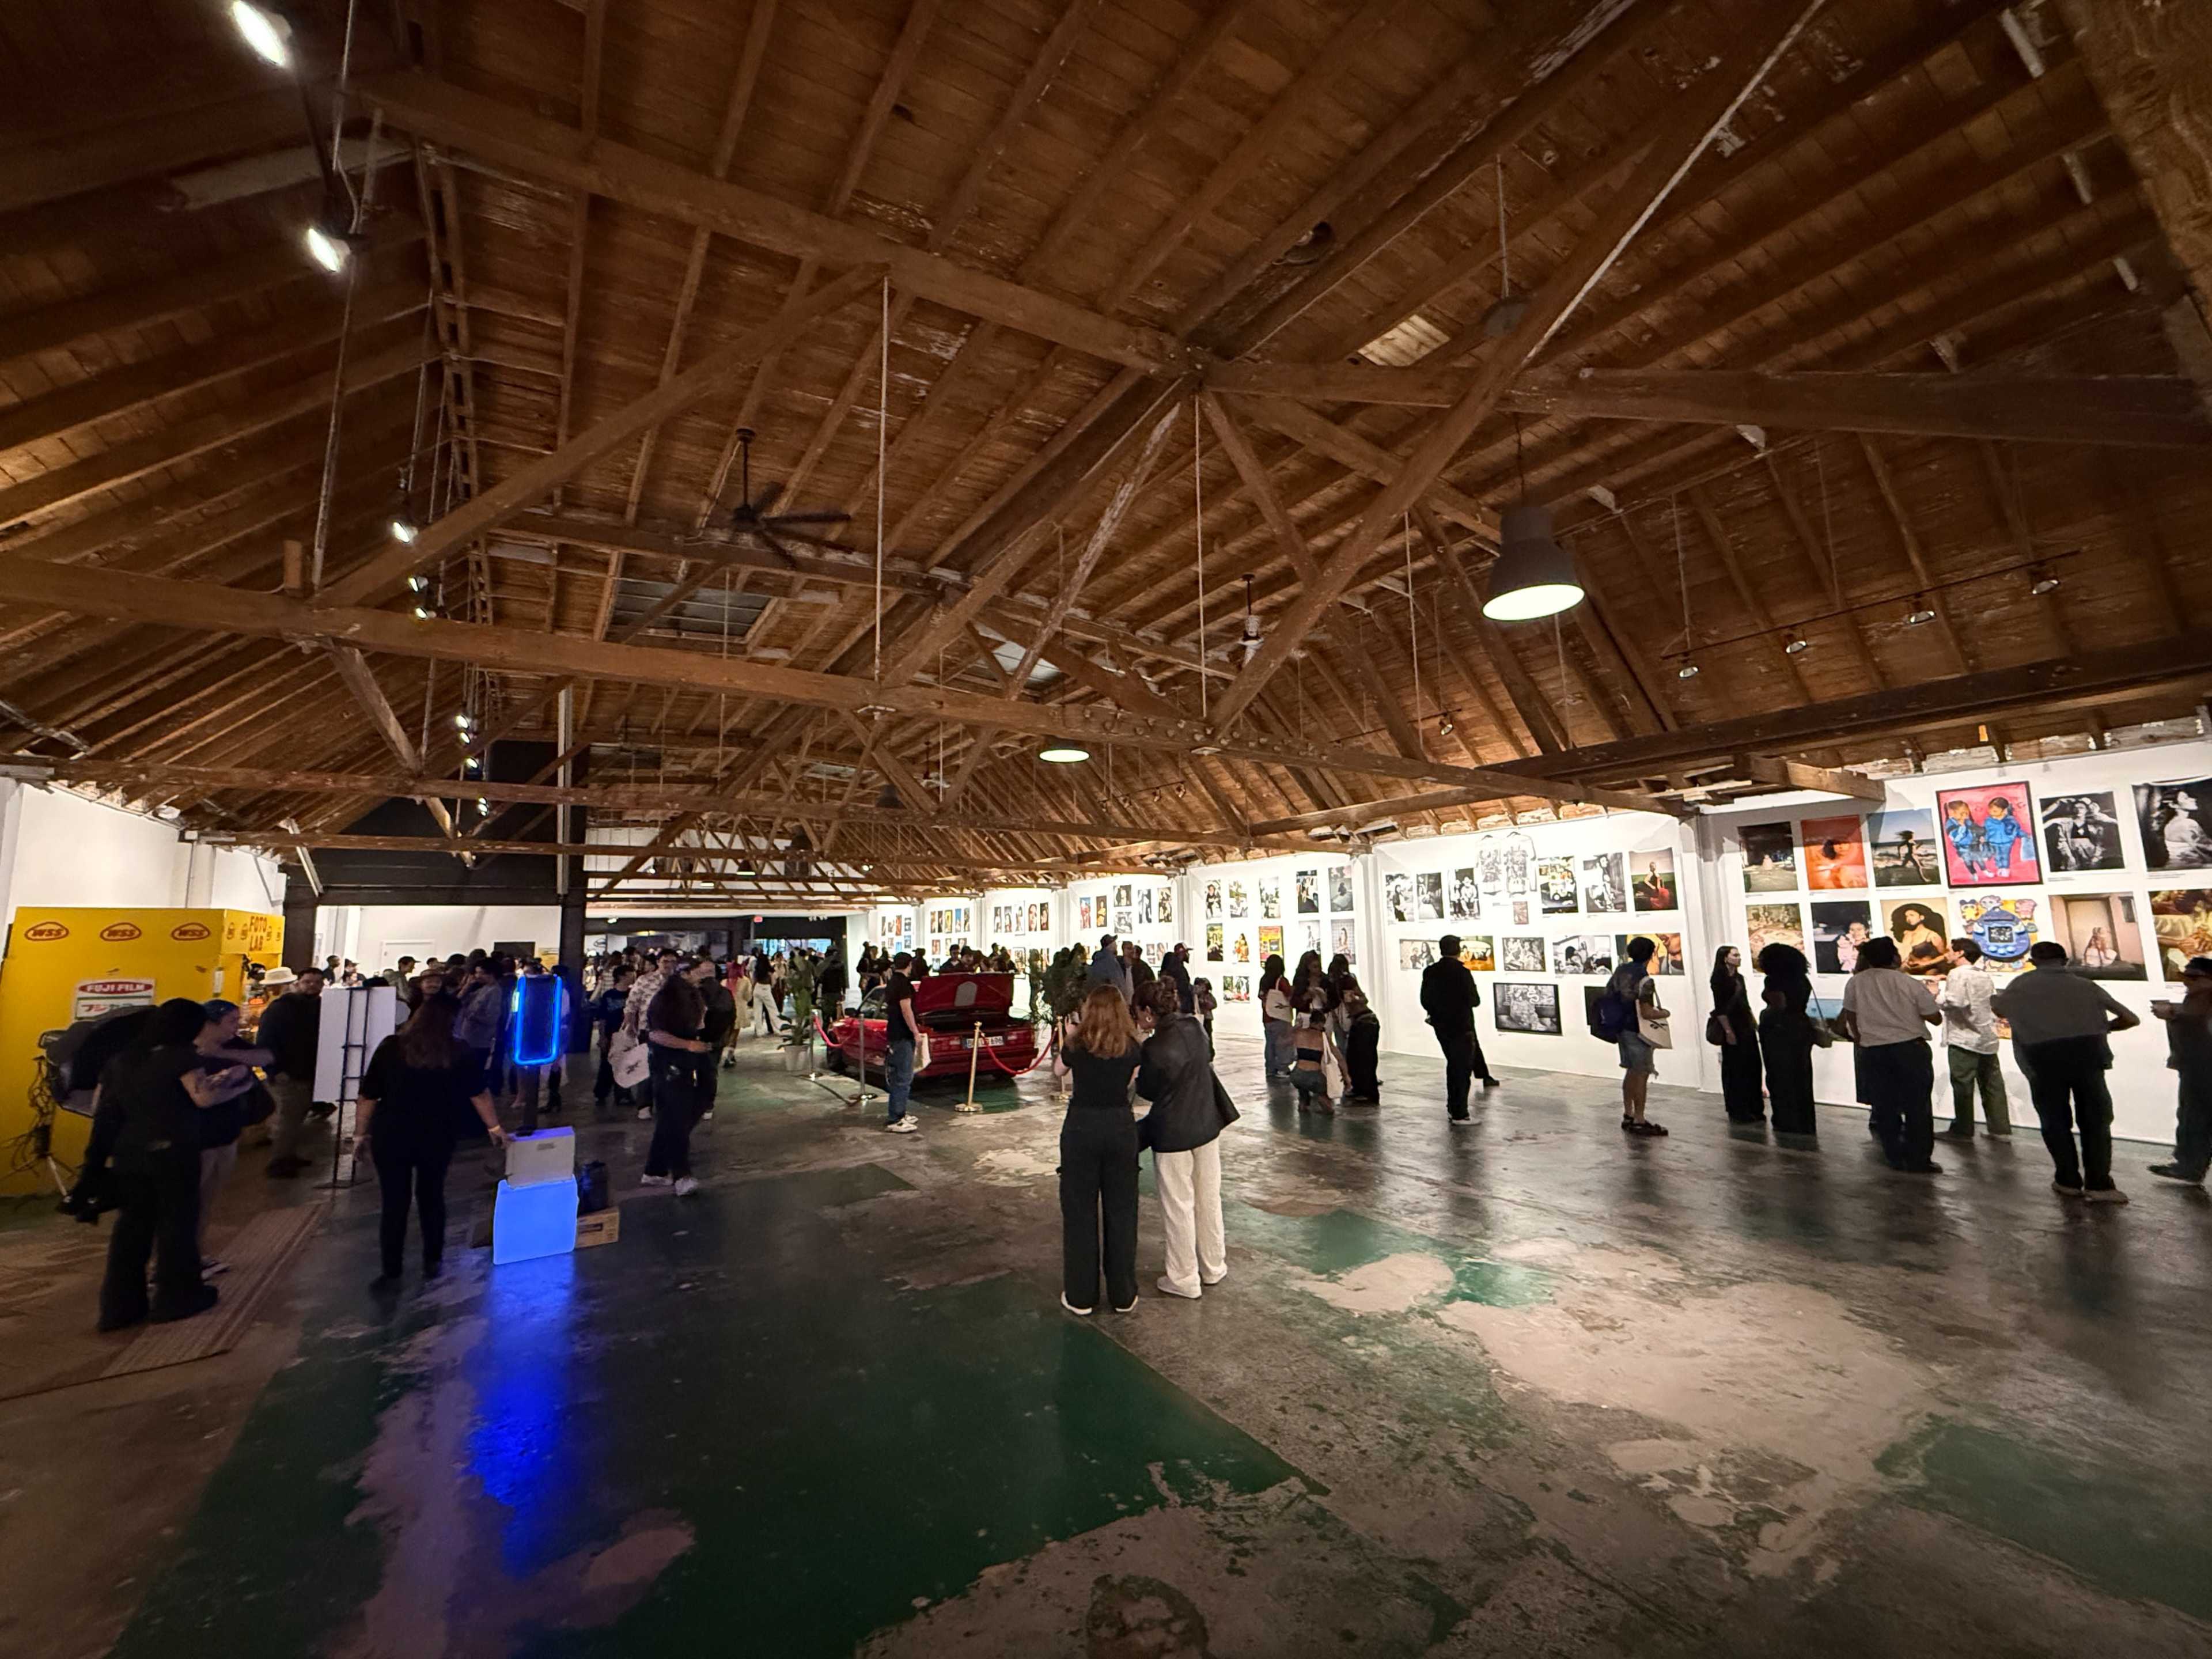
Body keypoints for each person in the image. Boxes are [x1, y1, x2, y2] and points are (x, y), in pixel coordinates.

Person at [97, 1000, 252, 1330]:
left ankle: (119, 1308)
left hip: (129, 1155)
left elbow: (104, 1110)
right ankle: (177, 1298)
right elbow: (204, 1098)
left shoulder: (123, 1060)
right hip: (172, 1154)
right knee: (176, 1226)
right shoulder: (181, 1057)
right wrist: (239, 1086)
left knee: (130, 1233)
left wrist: (94, 1162)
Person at [353, 991, 506, 1289]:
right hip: (438, 1133)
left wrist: (360, 1134)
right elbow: (479, 1093)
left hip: (392, 1132)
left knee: (394, 1202)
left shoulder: (391, 1047)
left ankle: (391, 1270)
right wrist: (495, 1128)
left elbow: (369, 1095)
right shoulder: (458, 1051)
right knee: (432, 1195)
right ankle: (432, 1259)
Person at [1994, 941, 2141, 1200]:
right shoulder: (2086, 985)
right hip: (2089, 1056)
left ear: (2034, 960)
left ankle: (2067, 1179)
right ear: (2065, 960)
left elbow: (1999, 1008)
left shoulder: (2021, 985)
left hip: (2043, 1059)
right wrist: (2103, 1028)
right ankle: (2100, 1184)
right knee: (2096, 1121)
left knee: (2055, 1121)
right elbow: (2130, 1018)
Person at [1052, 983, 1143, 1316]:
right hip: (1120, 1126)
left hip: (1081, 1127)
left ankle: (1081, 1295)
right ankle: (1123, 1294)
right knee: (1122, 1211)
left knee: (1079, 1212)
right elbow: (1132, 1080)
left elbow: (1058, 1071)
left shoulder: (1077, 1043)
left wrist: (1070, 1035)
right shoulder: (1132, 1045)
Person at [1136, 981, 1230, 1301]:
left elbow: (1147, 1091)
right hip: (1207, 1124)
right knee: (1208, 1198)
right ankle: (1213, 1266)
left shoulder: (1153, 1048)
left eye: (1138, 1013)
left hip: (1173, 1133)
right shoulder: (1195, 1027)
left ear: (1149, 1013)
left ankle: (1184, 1277)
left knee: (1178, 1205)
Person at [1840, 937, 1943, 1173]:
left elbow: (1852, 1018)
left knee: (1885, 1106)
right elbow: (1935, 1018)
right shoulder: (1908, 983)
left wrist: (1862, 1039)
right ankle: (1919, 1158)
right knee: (1918, 1107)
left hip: (1874, 1051)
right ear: (1895, 957)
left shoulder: (1856, 983)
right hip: (1910, 1049)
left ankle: (1894, 1155)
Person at [191, 999, 272, 1275]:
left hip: (226, 1132)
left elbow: (266, 1057)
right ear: (211, 1023)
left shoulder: (232, 1045)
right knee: (192, 1199)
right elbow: (203, 1098)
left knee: (209, 1198)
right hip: (199, 1136)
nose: (237, 1027)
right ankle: (177, 1259)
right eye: (231, 1022)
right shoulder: (187, 1054)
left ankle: (197, 1252)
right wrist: (232, 1081)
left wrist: (231, 1056)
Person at [643, 957, 715, 1194]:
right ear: (686, 974)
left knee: (681, 1113)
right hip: (669, 1063)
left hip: (689, 1057)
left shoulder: (694, 995)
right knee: (676, 1115)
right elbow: (655, 1034)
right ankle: (680, 1175)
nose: (704, 974)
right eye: (698, 971)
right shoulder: (667, 999)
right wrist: (687, 1045)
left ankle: (655, 1170)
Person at [1419, 934, 1498, 1123]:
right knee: (1460, 1070)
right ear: (1459, 950)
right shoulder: (1462, 973)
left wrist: (1436, 1013)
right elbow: (1474, 1000)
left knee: (1453, 1065)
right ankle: (1460, 1113)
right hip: (1461, 1026)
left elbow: (1425, 999)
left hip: (1441, 1026)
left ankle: (1452, 1107)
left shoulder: (1431, 971)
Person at [2149, 955, 2212, 1184]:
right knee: (2193, 1116)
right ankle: (2190, 1165)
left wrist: (2172, 1014)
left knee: (2194, 1116)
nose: (2188, 983)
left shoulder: (2202, 995)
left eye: (2193, 978)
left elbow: (2196, 1022)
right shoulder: (2199, 996)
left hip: (2201, 1066)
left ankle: (2189, 1166)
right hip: (2196, 1065)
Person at [257, 965, 325, 1177]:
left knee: (296, 1117)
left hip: (304, 1071)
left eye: (316, 982)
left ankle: (288, 1155)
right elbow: (266, 1040)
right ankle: (279, 1162)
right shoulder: (280, 1009)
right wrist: (274, 1070)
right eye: (307, 982)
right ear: (297, 984)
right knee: (288, 1118)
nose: (312, 986)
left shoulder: (317, 1007)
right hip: (287, 1073)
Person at [1938, 938, 2009, 1139]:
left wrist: (1936, 995)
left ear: (1960, 953)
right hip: (1987, 1037)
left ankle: (1963, 1129)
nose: (1947, 954)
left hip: (1964, 1037)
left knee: (1963, 1085)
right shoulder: (1983, 975)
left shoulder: (1957, 974)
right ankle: (1999, 1129)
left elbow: (1956, 1002)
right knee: (1992, 1084)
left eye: (1950, 950)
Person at [1605, 937, 1668, 1137]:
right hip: (1638, 1031)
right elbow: (1647, 1012)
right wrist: (1665, 1013)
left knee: (1631, 1071)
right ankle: (1640, 1119)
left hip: (1620, 1028)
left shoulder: (1621, 971)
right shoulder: (1645, 979)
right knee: (1641, 1073)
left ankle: (1628, 1114)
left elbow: (1608, 994)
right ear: (1651, 954)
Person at [1756, 942, 1821, 1135]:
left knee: (1780, 1076)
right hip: (1801, 1026)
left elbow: (1779, 1005)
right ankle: (1805, 1120)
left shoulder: (1774, 980)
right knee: (1802, 1075)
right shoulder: (1802, 979)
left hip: (1779, 1030)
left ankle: (1787, 1120)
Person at [1708, 946, 1763, 1123]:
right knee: (1736, 1068)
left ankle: (1755, 1107)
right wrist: (1728, 1031)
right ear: (1725, 958)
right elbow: (1721, 1008)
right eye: (1735, 955)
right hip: (1732, 1026)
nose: (1739, 958)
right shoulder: (1719, 979)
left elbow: (1745, 1003)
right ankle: (1739, 1108)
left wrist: (1754, 1023)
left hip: (1745, 1024)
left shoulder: (1739, 978)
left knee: (1752, 1065)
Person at [883, 952, 924, 1134]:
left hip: (894, 1033)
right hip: (903, 1036)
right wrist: (916, 1032)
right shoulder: (904, 984)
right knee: (903, 1078)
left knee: (900, 1076)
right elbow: (906, 1010)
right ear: (909, 965)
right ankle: (896, 1118)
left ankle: (900, 1113)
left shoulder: (892, 982)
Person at [590, 964, 634, 1108]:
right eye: (629, 974)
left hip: (627, 1035)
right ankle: (601, 1093)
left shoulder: (633, 995)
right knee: (607, 1064)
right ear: (621, 976)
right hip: (611, 1034)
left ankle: (623, 1094)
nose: (633, 976)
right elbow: (602, 1018)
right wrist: (602, 1037)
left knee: (627, 1064)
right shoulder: (609, 995)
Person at [1334, 972, 1381, 1104]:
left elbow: (1363, 1000)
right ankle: (1360, 1089)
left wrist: (1356, 999)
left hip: (1365, 1022)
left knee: (1365, 1059)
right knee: (1354, 1058)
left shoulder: (1349, 987)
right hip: (1361, 1022)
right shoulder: (1342, 988)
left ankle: (1368, 1092)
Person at [1259, 955, 1294, 1081]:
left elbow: (1261, 996)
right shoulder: (1281, 981)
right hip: (1280, 1017)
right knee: (1283, 1043)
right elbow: (1289, 994)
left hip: (1267, 1017)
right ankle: (1282, 1069)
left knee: (1270, 1044)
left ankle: (1270, 1069)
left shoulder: (1264, 981)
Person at [786, 949, 819, 1047]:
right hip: (808, 989)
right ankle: (807, 1029)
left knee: (800, 1010)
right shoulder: (809, 964)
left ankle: (800, 1030)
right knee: (807, 1009)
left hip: (800, 989)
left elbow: (793, 978)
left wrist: (793, 990)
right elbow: (816, 975)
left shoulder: (797, 965)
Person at [1087, 934, 1127, 998]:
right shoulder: (1110, 962)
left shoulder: (1097, 961)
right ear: (1110, 946)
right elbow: (1117, 982)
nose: (1116, 945)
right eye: (1115, 943)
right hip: (1111, 999)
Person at [1159, 944, 1194, 1015]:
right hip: (1180, 1004)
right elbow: (1183, 986)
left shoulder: (1174, 965)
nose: (1188, 954)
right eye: (1186, 952)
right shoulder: (1177, 967)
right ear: (1181, 953)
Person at [1192, 976, 1218, 1055]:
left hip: (1207, 1018)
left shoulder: (1209, 996)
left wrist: (1205, 1003)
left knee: (1208, 1035)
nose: (1203, 988)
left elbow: (1214, 1004)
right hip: (1199, 1018)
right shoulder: (1196, 996)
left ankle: (1210, 1052)